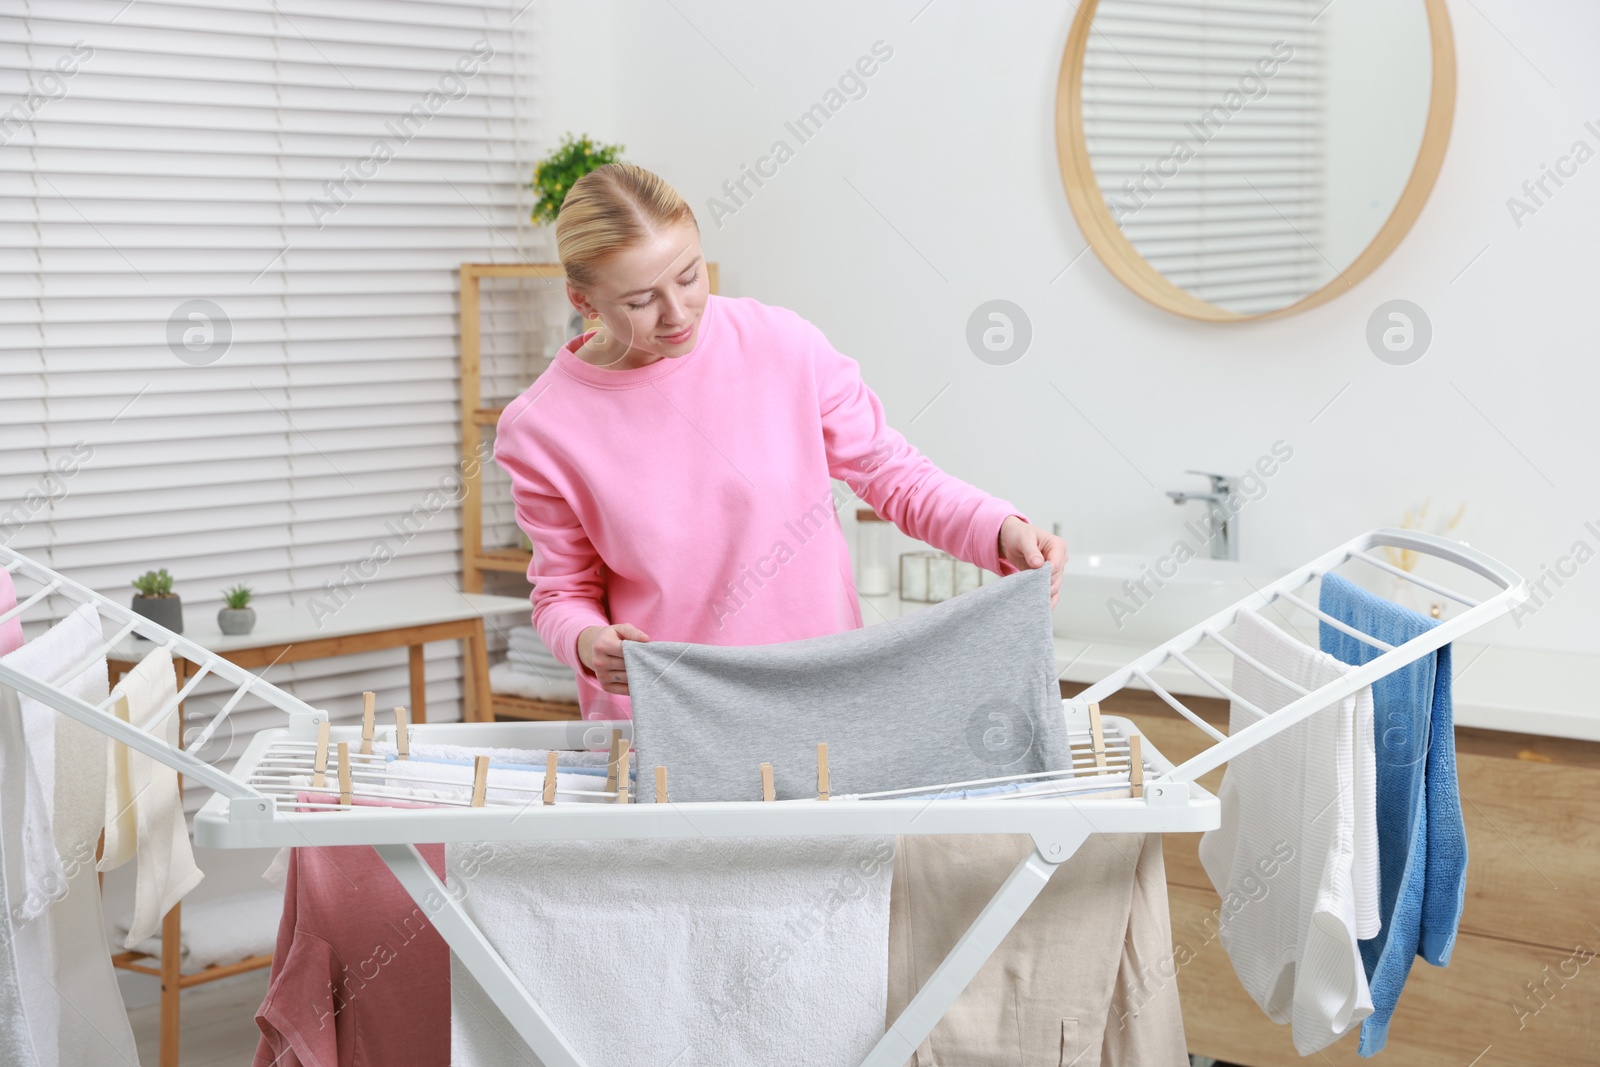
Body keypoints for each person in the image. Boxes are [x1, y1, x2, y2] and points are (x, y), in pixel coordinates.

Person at [494, 162, 1065, 720]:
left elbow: (895, 475)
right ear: (583, 302)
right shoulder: (543, 427)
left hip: (823, 695)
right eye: (640, 301)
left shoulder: (783, 345)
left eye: (690, 276)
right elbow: (561, 592)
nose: (677, 314)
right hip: (671, 717)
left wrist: (998, 529)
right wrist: (588, 642)